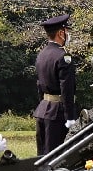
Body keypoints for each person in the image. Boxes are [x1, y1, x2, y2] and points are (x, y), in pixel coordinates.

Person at [33, 14, 77, 156]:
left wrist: (43, 105)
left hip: (43, 109)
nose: (68, 34)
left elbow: (40, 85)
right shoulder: (63, 57)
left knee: (42, 157)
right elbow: (67, 90)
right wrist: (70, 117)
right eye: (67, 31)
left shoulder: (42, 54)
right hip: (58, 114)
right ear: (60, 33)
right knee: (56, 158)